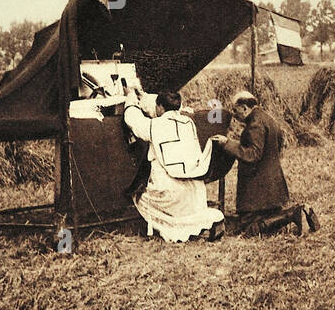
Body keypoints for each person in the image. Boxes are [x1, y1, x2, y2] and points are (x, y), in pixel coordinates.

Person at [123, 88, 225, 243]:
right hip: (194, 190)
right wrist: (143, 96)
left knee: (140, 198)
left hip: (170, 191)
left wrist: (130, 99)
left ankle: (203, 223)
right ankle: (209, 221)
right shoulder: (188, 121)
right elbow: (166, 109)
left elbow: (133, 121)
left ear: (161, 108)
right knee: (190, 209)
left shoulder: (156, 125)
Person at [210, 89, 314, 235]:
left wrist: (227, 143)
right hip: (272, 187)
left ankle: (294, 213)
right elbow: (277, 143)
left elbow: (253, 154)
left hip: (258, 189)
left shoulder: (255, 124)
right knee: (267, 219)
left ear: (244, 108)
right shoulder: (268, 119)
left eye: (236, 110)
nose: (234, 114)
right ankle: (291, 217)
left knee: (248, 228)